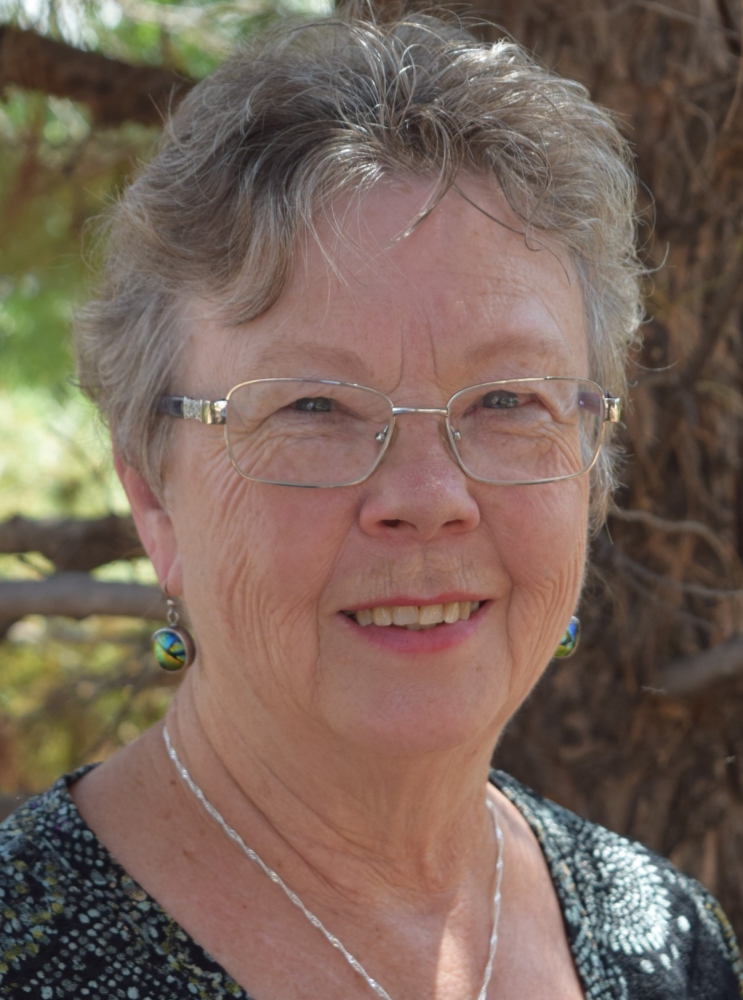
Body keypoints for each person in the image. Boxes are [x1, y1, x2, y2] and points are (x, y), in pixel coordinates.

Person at [1, 9, 741, 1000]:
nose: (428, 499)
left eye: (506, 400)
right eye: (314, 406)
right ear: (152, 492)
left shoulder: (668, 941)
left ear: (590, 457)